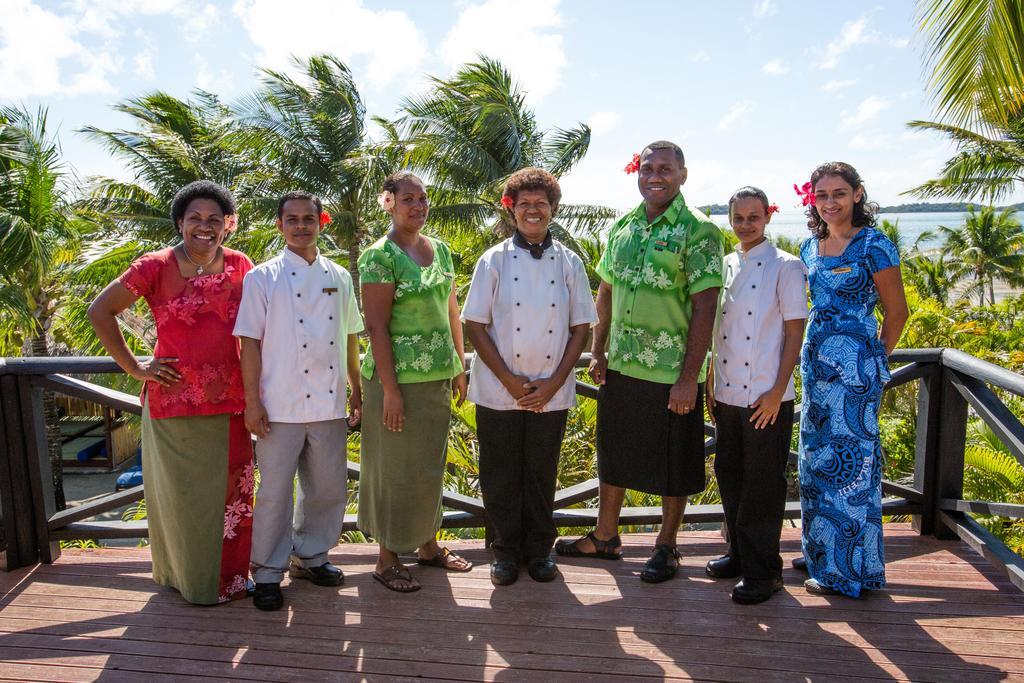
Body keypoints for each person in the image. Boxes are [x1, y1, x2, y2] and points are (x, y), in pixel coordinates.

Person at [555, 141, 725, 583]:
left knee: (674, 461)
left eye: (665, 169)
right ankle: (605, 536)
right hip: (622, 365)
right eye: (647, 167)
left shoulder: (700, 231)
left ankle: (667, 546)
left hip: (672, 371)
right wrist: (599, 347)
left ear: (683, 175)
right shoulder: (623, 227)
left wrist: (690, 377)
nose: (655, 175)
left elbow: (706, 307)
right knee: (614, 453)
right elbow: (606, 290)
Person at [88, 180, 254, 605]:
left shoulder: (240, 266)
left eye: (214, 220)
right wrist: (135, 367)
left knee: (233, 497)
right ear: (180, 222)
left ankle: (232, 579)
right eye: (195, 218)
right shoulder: (154, 266)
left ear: (228, 226)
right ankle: (192, 582)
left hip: (232, 403)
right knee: (184, 502)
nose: (205, 227)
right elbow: (100, 311)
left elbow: (258, 332)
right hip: (173, 403)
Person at [463, 168, 597, 586]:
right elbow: (474, 324)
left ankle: (539, 550)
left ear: (553, 210)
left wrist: (556, 382)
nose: (533, 211)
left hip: (551, 391)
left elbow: (582, 328)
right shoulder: (494, 259)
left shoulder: (571, 262)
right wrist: (507, 379)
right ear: (512, 209)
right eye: (525, 205)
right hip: (499, 390)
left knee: (541, 472)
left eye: (541, 204)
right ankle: (504, 552)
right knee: (500, 472)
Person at [234, 191, 364, 611]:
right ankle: (268, 571)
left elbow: (349, 338)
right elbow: (249, 343)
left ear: (321, 222)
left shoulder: (340, 276)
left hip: (328, 404)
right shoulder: (262, 278)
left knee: (327, 488)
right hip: (279, 405)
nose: (302, 225)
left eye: (309, 218)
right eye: (293, 219)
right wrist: (252, 402)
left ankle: (311, 556)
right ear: (280, 225)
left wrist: (356, 388)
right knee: (274, 491)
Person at [795, 162, 909, 598]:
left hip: (855, 372)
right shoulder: (811, 245)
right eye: (821, 195)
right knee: (816, 462)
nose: (829, 202)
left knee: (852, 470)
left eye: (838, 193)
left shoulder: (875, 246)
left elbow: (896, 313)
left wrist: (873, 361)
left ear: (858, 194)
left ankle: (845, 572)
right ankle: (822, 550)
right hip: (816, 367)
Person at [358, 171, 471, 592]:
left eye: (423, 199)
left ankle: (427, 546)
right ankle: (386, 557)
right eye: (408, 199)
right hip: (395, 382)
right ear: (388, 203)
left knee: (427, 466)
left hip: (436, 379)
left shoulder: (440, 250)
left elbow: (451, 311)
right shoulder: (379, 256)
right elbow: (376, 326)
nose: (418, 206)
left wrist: (459, 365)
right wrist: (390, 390)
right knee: (392, 469)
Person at [703, 187, 808, 604]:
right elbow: (718, 330)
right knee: (730, 475)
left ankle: (766, 573)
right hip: (727, 392)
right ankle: (738, 554)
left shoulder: (787, 266)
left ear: (767, 217)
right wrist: (711, 378)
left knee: (762, 486)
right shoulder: (726, 265)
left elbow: (795, 333)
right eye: (738, 218)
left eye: (753, 217)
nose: (745, 224)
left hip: (767, 395)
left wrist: (777, 391)